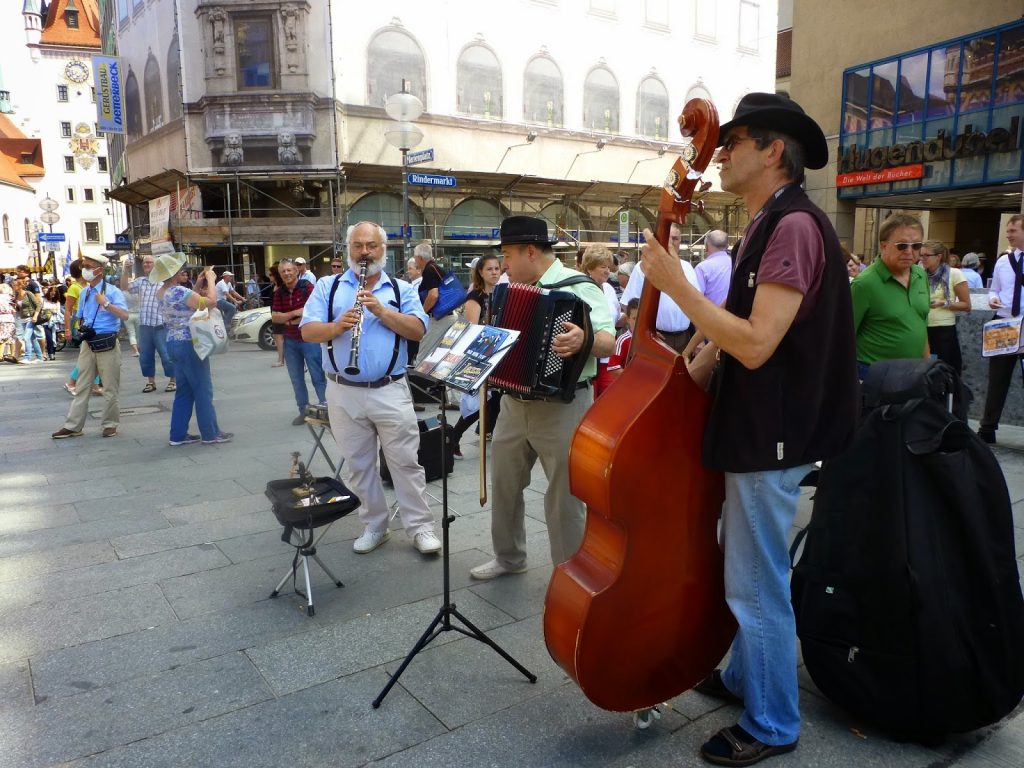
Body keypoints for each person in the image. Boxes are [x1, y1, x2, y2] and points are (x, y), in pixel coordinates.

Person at [641, 92, 858, 766]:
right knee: (745, 563)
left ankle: (771, 723)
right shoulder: (768, 222)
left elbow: (758, 343)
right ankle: (741, 677)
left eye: (734, 142)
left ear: (773, 151)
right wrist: (683, 377)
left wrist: (678, 287)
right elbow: (730, 334)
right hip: (761, 428)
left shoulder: (792, 225)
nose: (721, 153)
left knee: (755, 581)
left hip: (774, 434)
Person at [470, 215, 615, 581]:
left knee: (564, 497)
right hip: (513, 404)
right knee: (504, 485)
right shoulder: (507, 288)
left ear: (530, 251)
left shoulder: (580, 288)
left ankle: (570, 573)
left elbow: (608, 342)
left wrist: (583, 339)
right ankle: (509, 556)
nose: (503, 264)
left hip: (563, 408)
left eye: (507, 255)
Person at [300, 221, 442, 556]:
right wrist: (338, 326)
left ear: (384, 249)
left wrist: (380, 310)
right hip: (342, 390)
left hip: (389, 388)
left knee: (405, 462)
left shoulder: (401, 288)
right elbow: (308, 331)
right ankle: (375, 525)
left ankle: (420, 527)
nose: (365, 253)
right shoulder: (327, 286)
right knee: (358, 465)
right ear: (348, 248)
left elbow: (418, 330)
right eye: (358, 246)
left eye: (372, 246)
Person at [150, 252, 233, 446]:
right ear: (174, 273)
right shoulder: (178, 291)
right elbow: (210, 302)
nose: (182, 272)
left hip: (172, 341)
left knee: (184, 391)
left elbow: (188, 302)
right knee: (203, 389)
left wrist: (198, 283)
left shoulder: (162, 292)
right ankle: (210, 433)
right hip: (190, 342)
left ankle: (177, 435)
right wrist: (211, 280)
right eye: (180, 270)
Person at [52, 254, 130, 439]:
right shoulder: (84, 291)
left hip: (107, 342)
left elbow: (125, 315)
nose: (84, 269)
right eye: (84, 266)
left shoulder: (112, 291)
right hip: (88, 343)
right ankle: (73, 426)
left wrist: (106, 304)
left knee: (110, 387)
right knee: (82, 386)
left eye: (88, 266)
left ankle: (110, 424)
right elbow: (81, 316)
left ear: (99, 270)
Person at [851, 213, 930, 380]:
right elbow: (843, 336)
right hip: (873, 375)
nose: (909, 252)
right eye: (902, 246)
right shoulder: (864, 284)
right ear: (884, 246)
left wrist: (926, 365)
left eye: (916, 246)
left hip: (914, 372)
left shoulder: (921, 276)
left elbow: (921, 324)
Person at [448, 253, 503, 458]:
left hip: (499, 351)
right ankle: (454, 436)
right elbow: (471, 329)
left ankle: (485, 430)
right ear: (480, 272)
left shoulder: (501, 293)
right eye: (489, 269)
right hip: (481, 353)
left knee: (494, 399)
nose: (494, 272)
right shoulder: (475, 296)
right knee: (479, 402)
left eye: (497, 268)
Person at [978, 214, 1024, 445]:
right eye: (1008, 231)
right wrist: (993, 299)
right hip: (1005, 324)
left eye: (1013, 230)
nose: (1008, 235)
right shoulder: (1003, 261)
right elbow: (994, 289)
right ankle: (988, 428)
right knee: (997, 379)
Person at [621, 222, 700, 352]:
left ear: (680, 241)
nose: (671, 242)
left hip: (685, 338)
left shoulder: (688, 268)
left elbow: (696, 306)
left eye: (675, 238)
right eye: (667, 238)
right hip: (656, 337)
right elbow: (629, 307)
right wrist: (645, 332)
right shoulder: (644, 267)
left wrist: (699, 341)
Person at [272, 259, 327, 426]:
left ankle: (327, 411)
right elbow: (275, 317)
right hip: (290, 341)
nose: (287, 274)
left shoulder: (307, 287)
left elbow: (312, 311)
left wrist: (287, 316)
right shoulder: (279, 292)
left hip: (309, 339)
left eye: (290, 270)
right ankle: (303, 411)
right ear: (280, 275)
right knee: (296, 379)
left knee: (318, 376)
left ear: (296, 271)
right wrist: (295, 316)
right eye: (283, 272)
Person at [121, 254, 176, 393]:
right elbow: (124, 287)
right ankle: (151, 382)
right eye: (144, 263)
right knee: (145, 356)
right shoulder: (141, 281)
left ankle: (173, 380)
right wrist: (125, 270)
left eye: (149, 262)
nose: (145, 265)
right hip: (144, 324)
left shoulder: (164, 282)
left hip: (161, 324)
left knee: (166, 355)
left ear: (156, 265)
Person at [921, 240, 970, 372]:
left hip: (943, 329)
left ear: (939, 256)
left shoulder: (954, 273)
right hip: (921, 327)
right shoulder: (919, 274)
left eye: (927, 255)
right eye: (921, 255)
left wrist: (943, 303)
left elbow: (966, 305)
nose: (922, 259)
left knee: (944, 369)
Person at [582, 245, 623, 397]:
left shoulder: (609, 289)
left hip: (608, 360)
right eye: (602, 266)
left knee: (609, 401)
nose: (607, 271)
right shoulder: (581, 289)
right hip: (588, 361)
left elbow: (617, 320)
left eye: (608, 267)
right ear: (590, 268)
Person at [412, 241, 457, 364]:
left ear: (420, 258)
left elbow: (433, 294)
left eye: (415, 258)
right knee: (441, 355)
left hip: (439, 318)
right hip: (447, 315)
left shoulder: (429, 270)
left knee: (423, 357)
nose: (415, 261)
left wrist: (422, 312)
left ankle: (422, 382)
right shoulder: (436, 267)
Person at [695, 230, 732, 305]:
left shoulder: (702, 268)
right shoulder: (735, 264)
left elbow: (696, 298)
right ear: (727, 246)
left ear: (706, 246)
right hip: (733, 315)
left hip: (710, 315)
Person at [606, 298, 639, 381]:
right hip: (631, 385)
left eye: (641, 317)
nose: (639, 321)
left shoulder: (652, 339)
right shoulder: (622, 340)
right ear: (628, 319)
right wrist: (633, 379)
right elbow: (613, 368)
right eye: (635, 318)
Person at [267, 264, 286, 367]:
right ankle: (281, 358)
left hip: (280, 314)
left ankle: (281, 359)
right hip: (275, 314)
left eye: (271, 274)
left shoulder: (281, 287)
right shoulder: (275, 286)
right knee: (277, 336)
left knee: (279, 337)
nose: (269, 277)